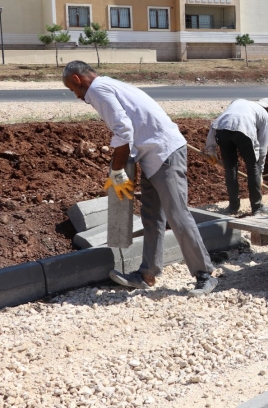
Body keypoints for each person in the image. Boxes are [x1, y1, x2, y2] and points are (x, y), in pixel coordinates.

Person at [62, 61, 218, 296]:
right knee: (151, 216)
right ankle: (147, 274)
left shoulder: (96, 90)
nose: (76, 96)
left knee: (177, 214)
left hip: (164, 152)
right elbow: (130, 127)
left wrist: (116, 170)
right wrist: (126, 168)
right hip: (150, 155)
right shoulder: (110, 84)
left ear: (76, 79)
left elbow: (123, 129)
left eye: (72, 90)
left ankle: (204, 274)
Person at [205, 98, 268, 215]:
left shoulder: (238, 102)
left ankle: (233, 207)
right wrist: (260, 171)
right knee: (253, 167)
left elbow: (217, 123)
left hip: (222, 131)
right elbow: (263, 148)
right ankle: (257, 207)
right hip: (244, 130)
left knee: (230, 168)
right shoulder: (265, 116)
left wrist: (211, 150)